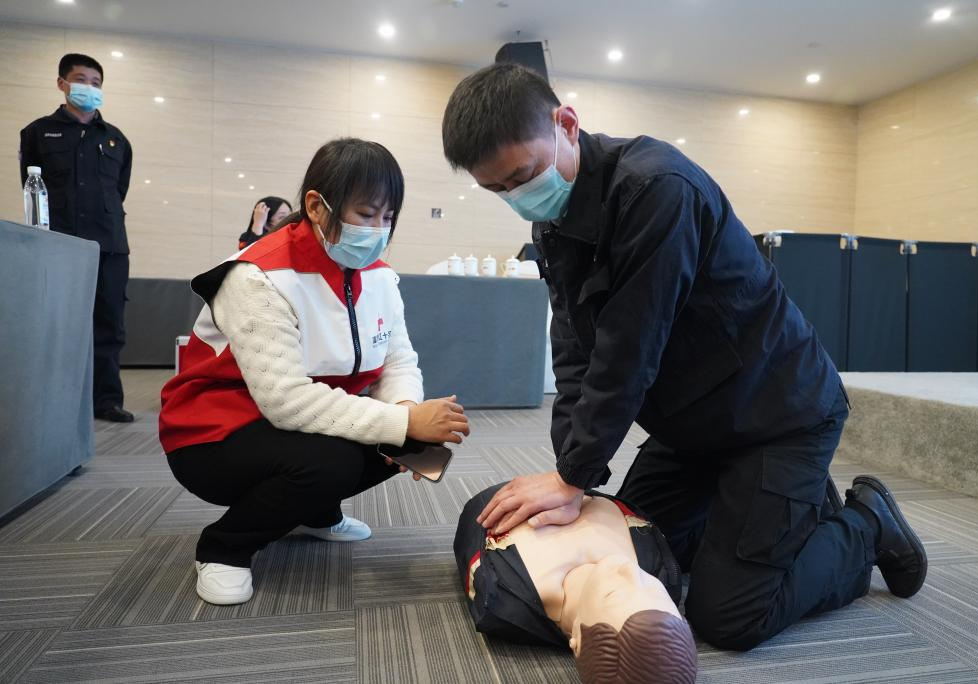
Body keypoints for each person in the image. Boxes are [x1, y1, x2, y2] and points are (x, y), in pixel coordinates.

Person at [441, 64, 927, 651]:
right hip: (692, 428)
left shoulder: (657, 188)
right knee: (643, 554)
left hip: (775, 417)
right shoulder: (555, 221)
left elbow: (628, 349)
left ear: (566, 124)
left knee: (729, 616)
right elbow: (573, 354)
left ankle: (866, 524)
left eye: (522, 176)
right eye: (498, 190)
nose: (518, 198)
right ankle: (789, 513)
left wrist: (572, 478)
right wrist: (571, 472)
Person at [159, 138, 470, 605]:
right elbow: (284, 400)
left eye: (388, 217)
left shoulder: (379, 276)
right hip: (214, 433)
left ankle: (314, 511)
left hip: (292, 424)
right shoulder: (258, 276)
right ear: (316, 206)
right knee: (338, 459)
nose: (378, 230)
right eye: (366, 214)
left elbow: (398, 359)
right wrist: (403, 421)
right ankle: (224, 547)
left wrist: (406, 414)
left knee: (411, 445)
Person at [455, 483, 698, 684]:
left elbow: (473, 527)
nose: (628, 569)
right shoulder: (663, 570)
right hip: (578, 476)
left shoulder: (504, 594)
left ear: (578, 639)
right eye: (652, 587)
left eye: (614, 594)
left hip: (503, 494)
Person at [19, 53, 134, 423]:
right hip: (57, 246)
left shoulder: (116, 139)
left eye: (96, 83)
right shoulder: (37, 133)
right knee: (55, 323)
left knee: (109, 325)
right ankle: (55, 398)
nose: (89, 88)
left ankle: (107, 401)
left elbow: (119, 190)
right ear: (62, 83)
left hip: (109, 247)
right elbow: (31, 185)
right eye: (81, 79)